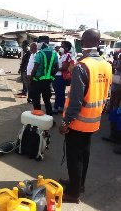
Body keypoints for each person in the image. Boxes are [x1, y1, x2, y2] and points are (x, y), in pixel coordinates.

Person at [58, 29, 112, 203]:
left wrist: (66, 122)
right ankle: (78, 183)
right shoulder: (106, 65)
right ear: (98, 43)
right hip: (94, 120)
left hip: (78, 122)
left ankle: (73, 194)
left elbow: (76, 100)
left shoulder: (82, 66)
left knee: (74, 158)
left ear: (82, 43)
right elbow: (107, 94)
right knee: (84, 154)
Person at [29, 36, 58, 117]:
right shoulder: (54, 54)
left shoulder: (39, 54)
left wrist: (31, 79)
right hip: (47, 82)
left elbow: (35, 68)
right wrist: (51, 75)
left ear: (42, 43)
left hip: (37, 81)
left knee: (36, 101)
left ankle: (38, 119)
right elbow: (57, 67)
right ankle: (50, 119)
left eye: (38, 42)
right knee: (47, 101)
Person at [53, 41, 74, 114]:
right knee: (61, 93)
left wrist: (56, 68)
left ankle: (56, 108)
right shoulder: (63, 55)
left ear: (67, 48)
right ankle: (61, 107)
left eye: (62, 46)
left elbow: (64, 68)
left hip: (61, 76)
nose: (60, 48)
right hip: (59, 75)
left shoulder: (67, 55)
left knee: (59, 93)